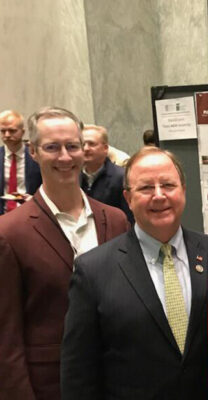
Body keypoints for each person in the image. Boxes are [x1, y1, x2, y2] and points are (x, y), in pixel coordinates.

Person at [61, 146, 208, 399]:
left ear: (183, 191)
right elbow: (78, 373)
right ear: (128, 198)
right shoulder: (93, 271)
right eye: (145, 188)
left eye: (168, 185)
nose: (159, 195)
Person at [0, 106, 130, 400]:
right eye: (52, 147)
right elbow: (6, 339)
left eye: (72, 146)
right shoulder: (9, 233)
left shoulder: (116, 220)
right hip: (49, 386)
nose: (64, 157)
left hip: (117, 381)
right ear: (33, 151)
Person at [80, 124, 134, 222]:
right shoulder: (73, 178)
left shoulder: (122, 177)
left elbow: (129, 218)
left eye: (91, 144)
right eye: (82, 144)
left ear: (105, 148)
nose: (86, 148)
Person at [0, 109, 42, 214]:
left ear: (23, 132)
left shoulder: (37, 156)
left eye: (12, 130)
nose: (7, 135)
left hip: (31, 214)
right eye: (3, 131)